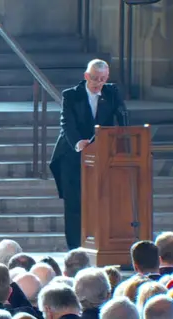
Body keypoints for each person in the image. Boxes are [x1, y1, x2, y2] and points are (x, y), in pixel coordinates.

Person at [49, 59, 127, 250]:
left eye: (102, 79)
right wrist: (78, 143)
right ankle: (75, 250)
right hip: (71, 154)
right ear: (86, 76)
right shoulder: (71, 95)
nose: (97, 83)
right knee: (74, 204)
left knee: (101, 202)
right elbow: (66, 124)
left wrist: (123, 140)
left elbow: (122, 116)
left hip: (100, 156)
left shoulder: (111, 93)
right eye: (94, 78)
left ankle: (100, 246)